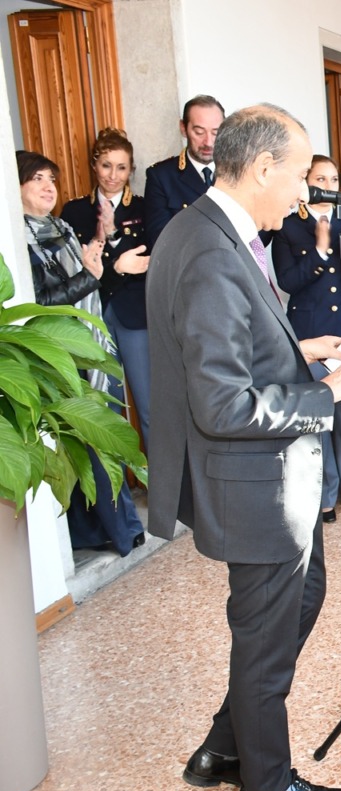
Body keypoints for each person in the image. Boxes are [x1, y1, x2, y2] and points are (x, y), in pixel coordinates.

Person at [147, 104, 341, 791]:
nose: (303, 195)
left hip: (254, 480)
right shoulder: (211, 251)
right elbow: (223, 404)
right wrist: (324, 393)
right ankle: (267, 785)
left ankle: (225, 746)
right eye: (297, 176)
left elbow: (235, 348)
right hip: (250, 482)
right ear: (260, 168)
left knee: (302, 594)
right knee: (264, 630)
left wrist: (298, 350)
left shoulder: (208, 229)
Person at [20, 149, 147, 558]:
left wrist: (100, 252)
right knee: (89, 440)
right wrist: (92, 274)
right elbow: (42, 302)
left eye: (51, 179)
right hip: (59, 352)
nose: (47, 187)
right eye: (36, 179)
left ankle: (121, 527)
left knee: (105, 433)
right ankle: (114, 528)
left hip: (91, 342)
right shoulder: (17, 237)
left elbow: (88, 282)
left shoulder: (58, 226)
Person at [271, 154, 341, 523]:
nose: (327, 186)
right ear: (304, 183)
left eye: (333, 179)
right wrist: (319, 248)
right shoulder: (288, 225)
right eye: (320, 178)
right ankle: (325, 495)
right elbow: (288, 281)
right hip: (310, 331)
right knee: (319, 416)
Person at [60, 128, 154, 447]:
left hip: (134, 314)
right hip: (92, 313)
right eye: (106, 165)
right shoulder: (73, 211)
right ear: (94, 166)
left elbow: (146, 262)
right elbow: (74, 268)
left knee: (149, 406)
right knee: (106, 408)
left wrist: (114, 236)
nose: (113, 175)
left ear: (131, 170)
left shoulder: (143, 208)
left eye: (121, 167)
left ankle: (164, 491)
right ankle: (116, 495)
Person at [143, 94, 224, 241]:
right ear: (183, 128)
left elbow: (256, 233)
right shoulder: (161, 177)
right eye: (199, 132)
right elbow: (159, 238)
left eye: (215, 132)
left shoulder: (237, 171)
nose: (209, 142)